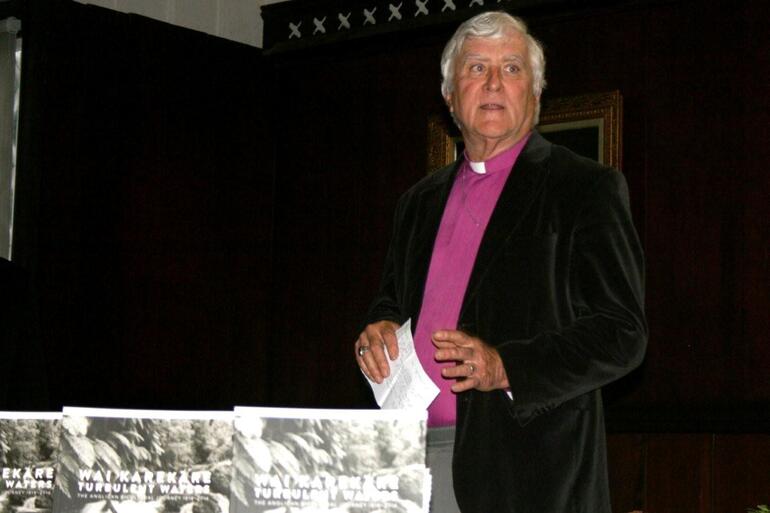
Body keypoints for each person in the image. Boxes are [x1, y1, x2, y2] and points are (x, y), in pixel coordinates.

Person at [355, 11, 647, 513]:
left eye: (512, 69)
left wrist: (505, 365)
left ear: (535, 95)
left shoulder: (584, 188)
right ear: (450, 96)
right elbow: (394, 300)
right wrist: (378, 327)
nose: (493, 82)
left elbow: (622, 333)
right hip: (405, 458)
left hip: (528, 472)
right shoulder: (417, 202)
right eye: (476, 68)